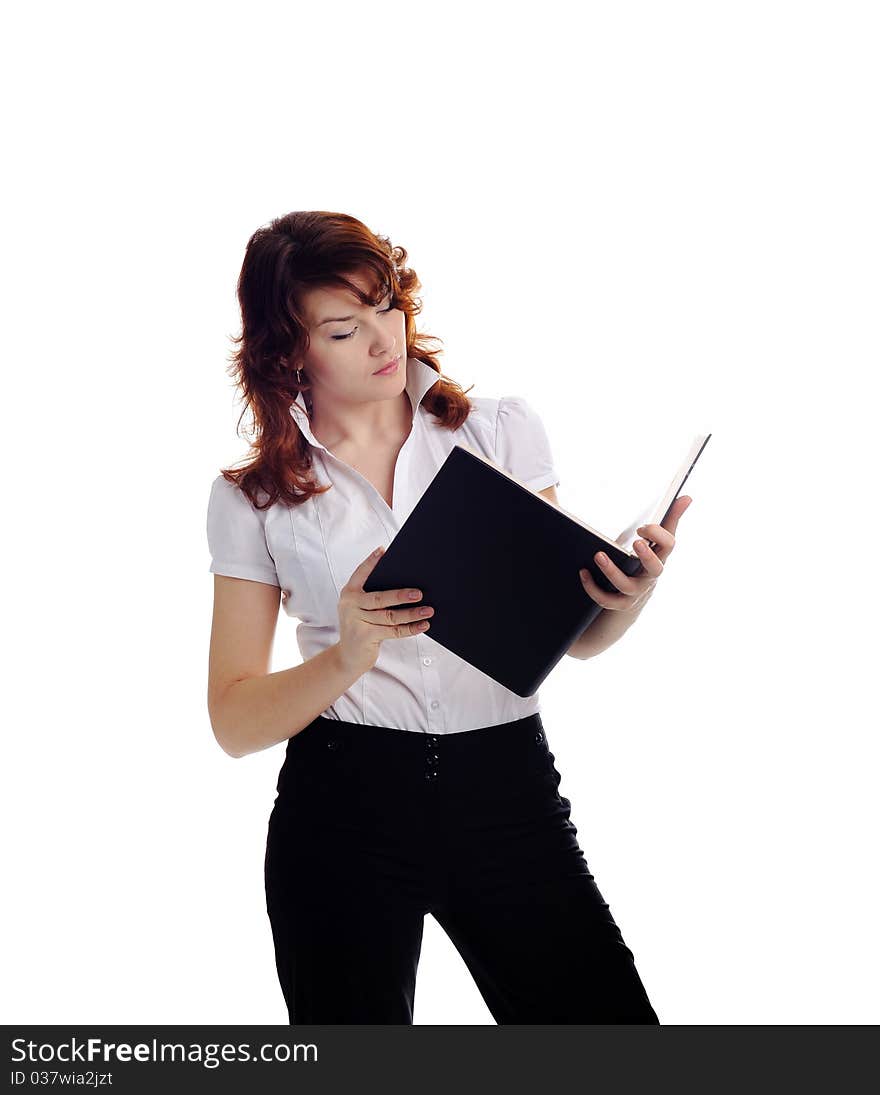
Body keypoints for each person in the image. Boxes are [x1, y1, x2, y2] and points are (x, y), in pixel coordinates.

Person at [206, 210, 690, 1024]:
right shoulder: (252, 497)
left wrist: (624, 594)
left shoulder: (497, 430)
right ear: (289, 350)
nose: (383, 338)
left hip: (508, 793)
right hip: (341, 807)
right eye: (342, 328)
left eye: (386, 303)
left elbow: (570, 642)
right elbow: (233, 718)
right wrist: (346, 654)